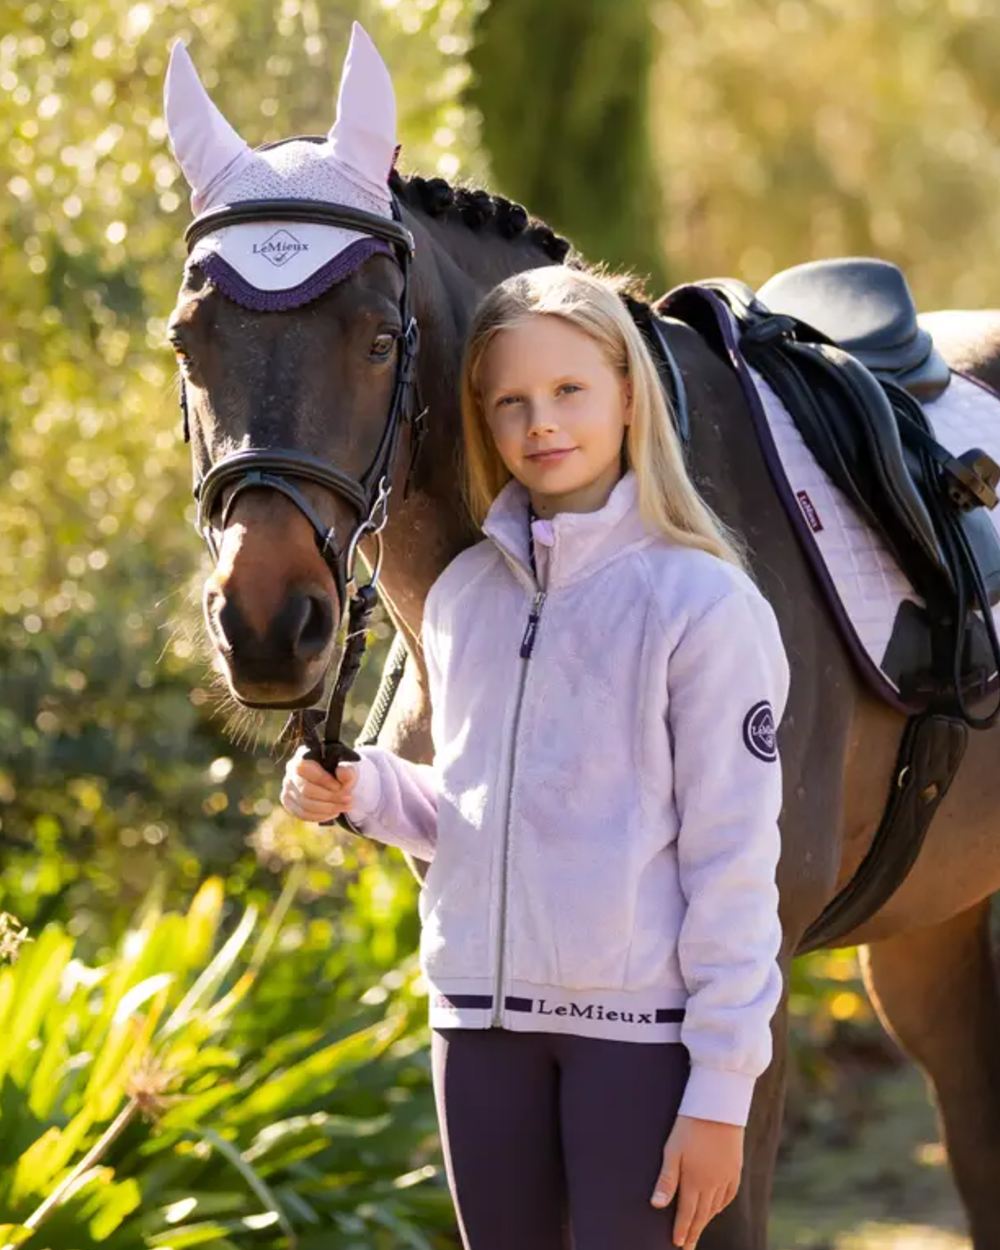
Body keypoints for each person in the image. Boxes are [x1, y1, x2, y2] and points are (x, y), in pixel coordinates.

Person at [281, 262, 791, 1250]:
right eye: (510, 401)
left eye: (568, 391)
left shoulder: (701, 604)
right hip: (477, 1036)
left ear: (629, 395)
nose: (540, 422)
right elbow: (470, 809)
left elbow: (733, 864)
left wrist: (723, 1088)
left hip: (633, 1044)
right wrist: (366, 789)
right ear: (480, 418)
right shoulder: (466, 595)